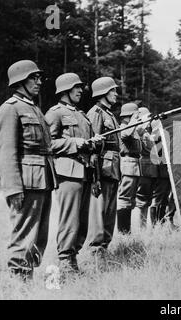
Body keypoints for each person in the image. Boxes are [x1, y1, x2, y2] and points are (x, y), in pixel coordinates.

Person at [0, 60, 58, 281]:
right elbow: (5, 152)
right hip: (26, 182)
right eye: (34, 77)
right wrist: (13, 188)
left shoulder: (33, 108)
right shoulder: (9, 109)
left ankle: (26, 280)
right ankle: (19, 286)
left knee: (38, 236)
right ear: (21, 80)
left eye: (40, 77)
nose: (39, 82)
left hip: (43, 179)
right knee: (24, 234)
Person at [45, 73, 102, 273]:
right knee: (69, 220)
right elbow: (48, 143)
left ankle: (73, 260)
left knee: (82, 222)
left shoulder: (82, 115)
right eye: (77, 87)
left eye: (80, 87)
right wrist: (75, 143)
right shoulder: (55, 113)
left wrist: (94, 143)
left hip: (85, 172)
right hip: (67, 173)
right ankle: (65, 262)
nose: (81, 90)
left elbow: (88, 142)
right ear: (66, 90)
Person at [86, 77, 121, 259]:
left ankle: (104, 249)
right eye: (113, 90)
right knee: (100, 212)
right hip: (103, 169)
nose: (116, 94)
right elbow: (92, 147)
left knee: (109, 212)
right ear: (103, 93)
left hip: (112, 168)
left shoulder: (109, 114)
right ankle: (96, 252)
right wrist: (95, 177)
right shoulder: (96, 113)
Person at [133, 107, 171, 227]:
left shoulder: (150, 129)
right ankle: (144, 226)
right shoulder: (139, 130)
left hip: (154, 169)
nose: (150, 118)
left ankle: (157, 225)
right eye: (147, 116)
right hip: (145, 169)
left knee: (156, 199)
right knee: (143, 200)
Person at [116, 102, 141, 234]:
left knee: (130, 200)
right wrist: (134, 120)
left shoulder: (132, 127)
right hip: (128, 164)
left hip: (134, 164)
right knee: (124, 198)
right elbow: (125, 135)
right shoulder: (124, 127)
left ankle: (126, 230)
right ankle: (123, 231)